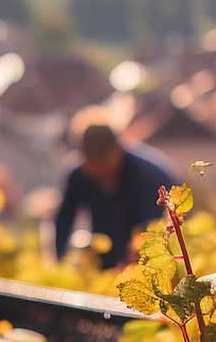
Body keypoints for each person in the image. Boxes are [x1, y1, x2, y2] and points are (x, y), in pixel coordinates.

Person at [54, 115, 173, 269]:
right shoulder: (78, 176)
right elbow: (63, 220)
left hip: (147, 260)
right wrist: (60, 261)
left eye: (104, 163)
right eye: (93, 163)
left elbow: (151, 229)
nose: (99, 170)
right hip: (105, 258)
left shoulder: (148, 176)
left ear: (118, 151)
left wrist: (132, 265)